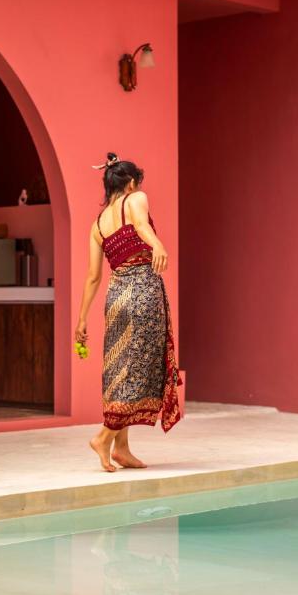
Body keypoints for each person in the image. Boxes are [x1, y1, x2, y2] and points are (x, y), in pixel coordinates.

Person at [75, 152, 183, 472]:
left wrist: (81, 319)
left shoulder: (97, 225)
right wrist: (157, 244)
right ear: (131, 182)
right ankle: (104, 436)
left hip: (116, 297)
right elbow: (139, 224)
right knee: (140, 369)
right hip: (142, 294)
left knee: (120, 368)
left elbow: (94, 276)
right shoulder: (135, 197)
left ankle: (121, 448)